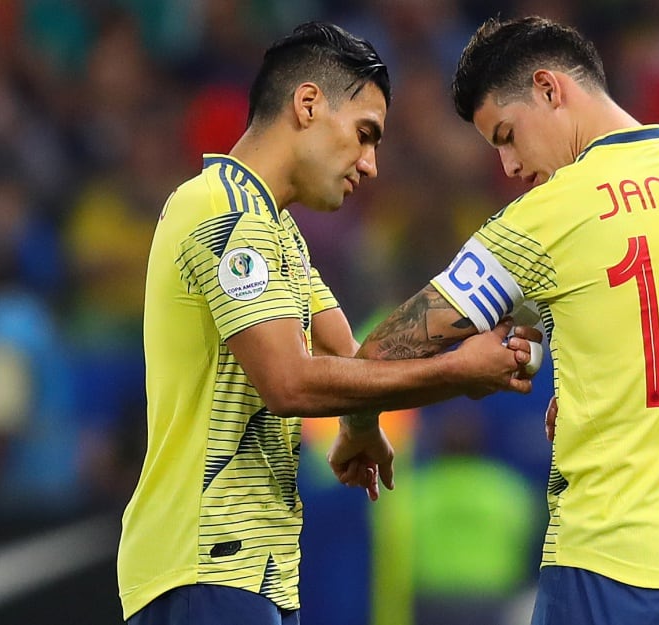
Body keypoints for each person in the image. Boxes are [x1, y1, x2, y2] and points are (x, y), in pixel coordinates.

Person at [330, 16, 659, 625]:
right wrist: (629, 394)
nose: (508, 166)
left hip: (609, 565)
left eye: (506, 135)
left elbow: (383, 351)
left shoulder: (546, 215)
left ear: (550, 89)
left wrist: (361, 428)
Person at [117, 22, 540, 625]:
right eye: (365, 135)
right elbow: (290, 383)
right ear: (308, 104)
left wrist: (362, 427)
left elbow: (357, 357)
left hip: (253, 569)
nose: (369, 165)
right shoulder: (220, 210)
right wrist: (457, 372)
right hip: (204, 561)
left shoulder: (277, 230)